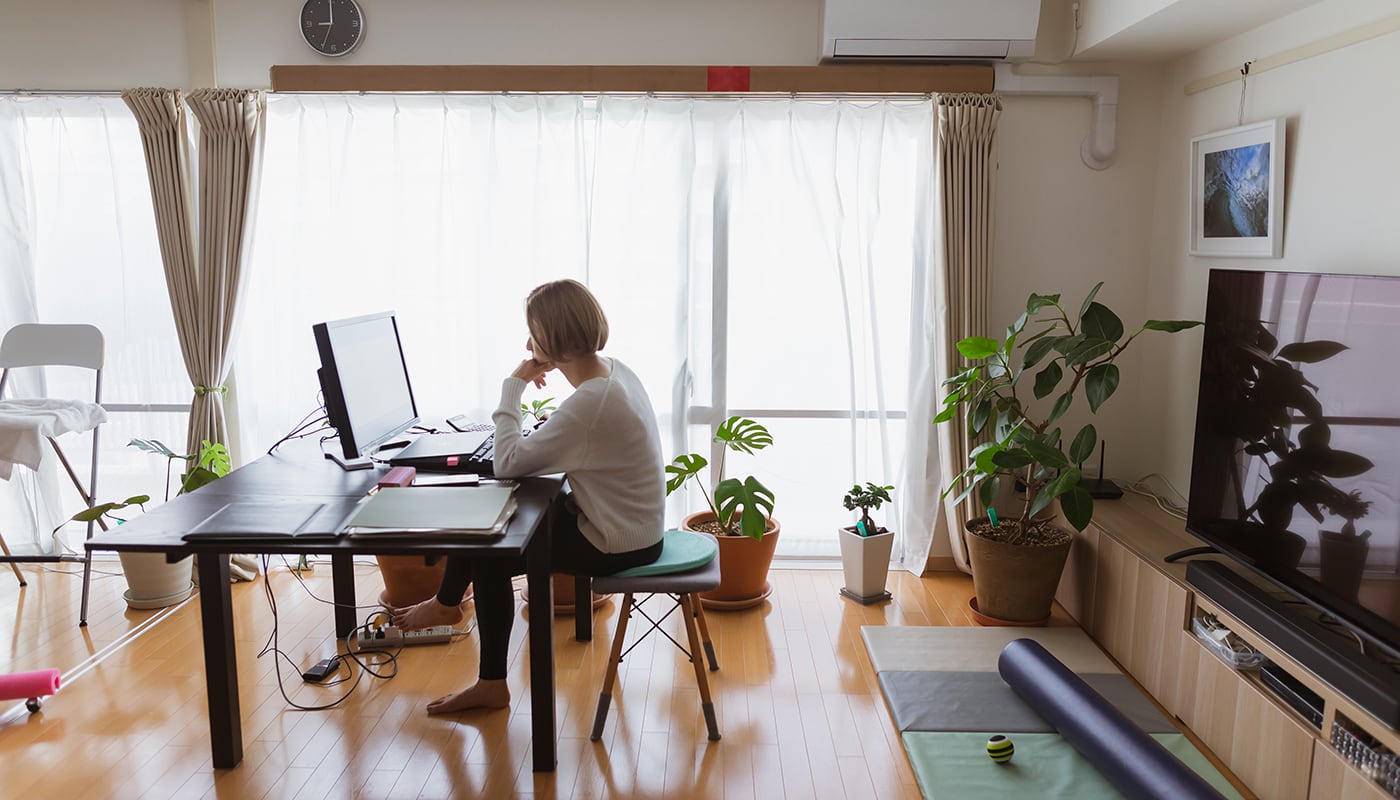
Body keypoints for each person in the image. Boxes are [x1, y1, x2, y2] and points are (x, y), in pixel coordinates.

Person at [391, 278, 665, 714]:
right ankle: (447, 606)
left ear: (552, 342)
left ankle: (485, 675)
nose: (527, 342)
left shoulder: (590, 403)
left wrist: (514, 385)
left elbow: (506, 462)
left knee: (489, 549)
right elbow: (571, 443)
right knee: (489, 520)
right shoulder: (614, 370)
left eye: (533, 333)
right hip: (633, 525)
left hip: (618, 543)